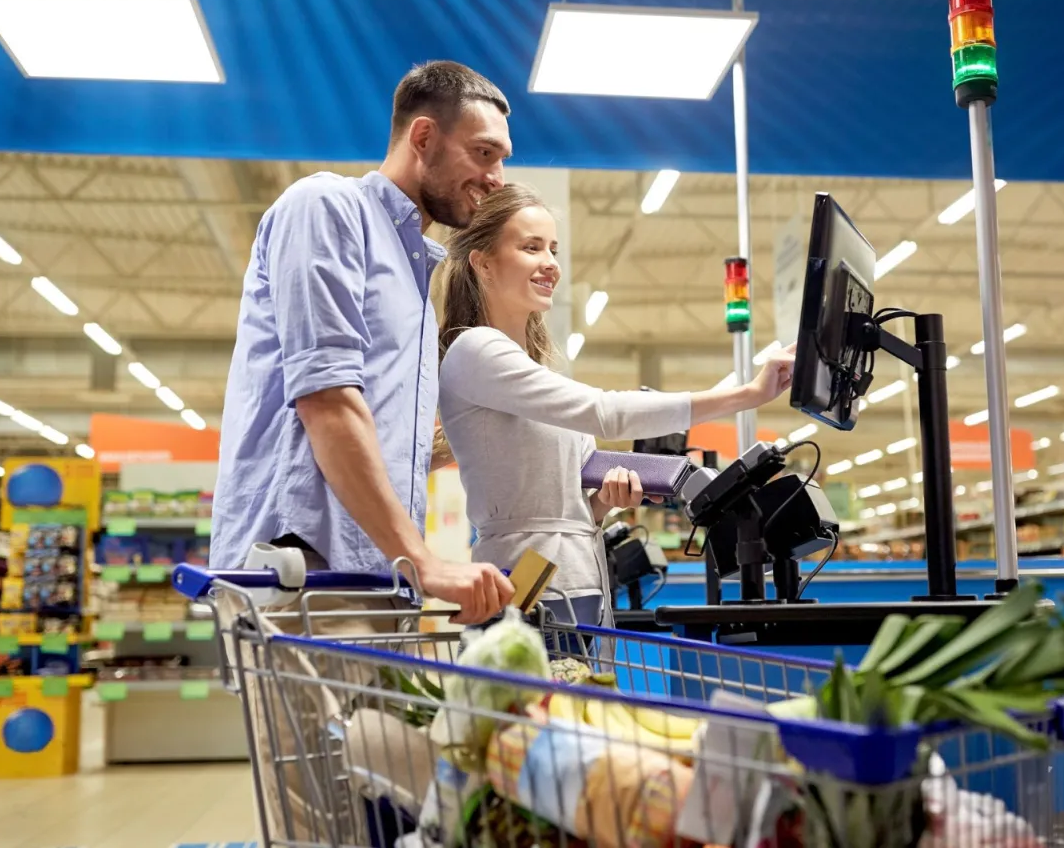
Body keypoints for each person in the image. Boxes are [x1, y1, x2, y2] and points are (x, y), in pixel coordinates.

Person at [209, 61, 518, 844]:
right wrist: (425, 559)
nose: (497, 176)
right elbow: (327, 403)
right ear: (424, 136)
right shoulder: (327, 208)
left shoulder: (418, 273)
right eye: (484, 153)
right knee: (321, 823)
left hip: (370, 584)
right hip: (301, 573)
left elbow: (381, 427)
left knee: (386, 817)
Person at [437, 183, 796, 631]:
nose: (550, 263)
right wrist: (747, 395)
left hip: (575, 584)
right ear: (483, 262)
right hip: (524, 595)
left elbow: (555, 507)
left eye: (553, 248)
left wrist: (602, 506)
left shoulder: (527, 368)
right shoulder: (476, 351)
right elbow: (605, 413)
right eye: (531, 248)